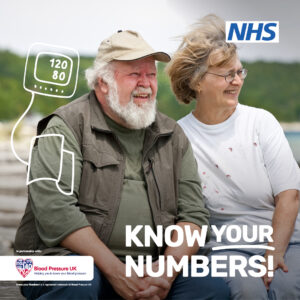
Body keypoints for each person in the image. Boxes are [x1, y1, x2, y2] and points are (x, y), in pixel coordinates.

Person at [15, 30, 229, 299]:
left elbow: (194, 215)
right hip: (59, 260)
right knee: (79, 282)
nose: (146, 83)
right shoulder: (65, 127)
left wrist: (165, 271)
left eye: (151, 75)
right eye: (134, 74)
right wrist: (118, 273)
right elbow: (55, 212)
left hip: (153, 267)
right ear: (103, 82)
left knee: (211, 287)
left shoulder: (172, 135)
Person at [166, 14, 300, 300]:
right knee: (247, 291)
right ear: (197, 82)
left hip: (287, 240)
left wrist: (273, 252)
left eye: (240, 72)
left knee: (287, 287)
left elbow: (290, 196)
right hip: (225, 248)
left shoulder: (261, 122)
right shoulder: (180, 137)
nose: (237, 81)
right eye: (227, 74)